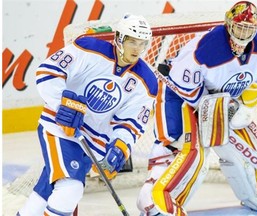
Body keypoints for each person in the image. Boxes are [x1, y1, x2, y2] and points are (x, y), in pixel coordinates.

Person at [137, 1, 257, 215]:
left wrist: (244, 106)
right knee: (189, 152)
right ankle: (156, 202)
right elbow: (188, 89)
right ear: (228, 25)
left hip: (220, 100)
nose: (243, 36)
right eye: (239, 28)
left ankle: (256, 193)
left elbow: (254, 81)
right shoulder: (208, 50)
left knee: (241, 149)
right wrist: (212, 110)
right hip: (180, 95)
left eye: (248, 29)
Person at [17, 13, 157, 216]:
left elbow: (131, 123)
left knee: (46, 191)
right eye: (131, 41)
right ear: (119, 38)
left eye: (142, 43)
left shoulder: (147, 81)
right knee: (70, 189)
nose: (137, 48)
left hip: (93, 144)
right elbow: (47, 71)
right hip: (59, 129)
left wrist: (120, 146)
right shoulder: (90, 49)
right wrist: (61, 106)